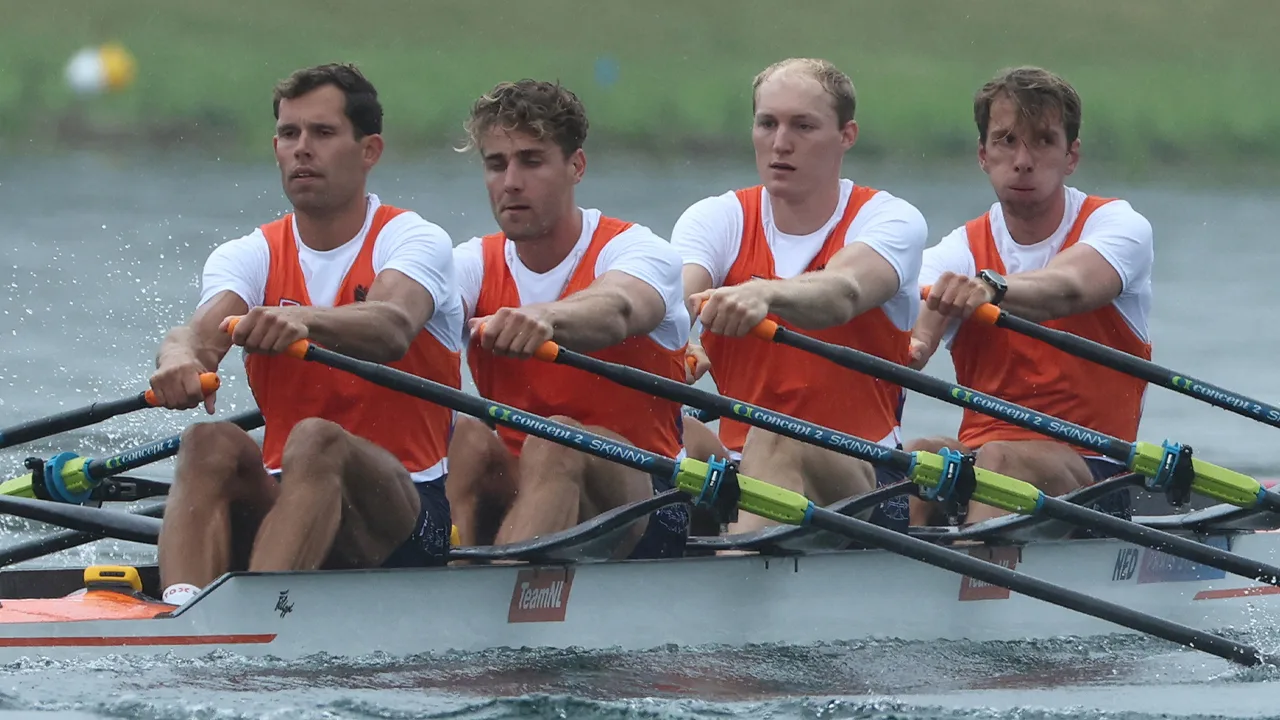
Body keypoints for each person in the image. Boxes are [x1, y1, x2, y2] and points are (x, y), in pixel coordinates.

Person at [148, 63, 465, 606]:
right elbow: (198, 338)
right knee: (206, 440)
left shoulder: (412, 240)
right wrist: (178, 360)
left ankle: (260, 622)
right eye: (289, 134)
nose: (302, 149)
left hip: (406, 515)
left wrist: (303, 320)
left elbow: (391, 325)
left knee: (318, 439)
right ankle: (182, 612)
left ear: (369, 151)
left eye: (322, 132)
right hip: (287, 499)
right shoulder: (248, 255)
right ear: (276, 148)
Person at [672, 57, 928, 536]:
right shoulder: (717, 219)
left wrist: (764, 294)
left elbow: (845, 291)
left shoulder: (889, 219)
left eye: (803, 126)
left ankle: (736, 565)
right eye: (767, 123)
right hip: (735, 463)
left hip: (867, 476)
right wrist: (673, 337)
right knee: (640, 430)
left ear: (847, 136)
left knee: (776, 434)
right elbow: (673, 300)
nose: (780, 143)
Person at [446, 79, 691, 559]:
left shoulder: (638, 251)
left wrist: (546, 318)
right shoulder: (470, 263)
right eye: (496, 164)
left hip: (650, 498)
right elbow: (414, 315)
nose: (510, 182)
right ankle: (446, 576)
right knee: (466, 436)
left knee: (557, 438)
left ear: (576, 166)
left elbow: (618, 307)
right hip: (522, 486)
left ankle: (492, 592)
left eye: (531, 161)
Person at [906, 65, 1154, 526]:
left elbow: (1067, 289)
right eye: (1006, 141)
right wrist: (916, 342)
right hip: (982, 459)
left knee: (1001, 459)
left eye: (1042, 141)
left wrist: (991, 289)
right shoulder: (957, 251)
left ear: (1071, 155)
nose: (1023, 159)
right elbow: (908, 328)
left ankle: (976, 563)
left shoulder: (1117, 227)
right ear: (983, 155)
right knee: (920, 456)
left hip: (1098, 471)